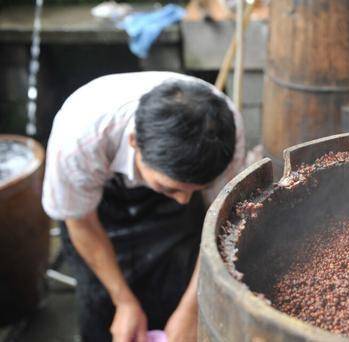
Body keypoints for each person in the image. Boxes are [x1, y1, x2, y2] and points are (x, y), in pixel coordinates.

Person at [42, 72, 245, 342]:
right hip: (98, 211)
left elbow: (221, 224)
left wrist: (190, 309)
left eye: (193, 191)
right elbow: (80, 221)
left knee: (174, 288)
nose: (184, 201)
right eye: (171, 188)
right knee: (99, 306)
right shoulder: (79, 138)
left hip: (162, 206)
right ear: (134, 142)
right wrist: (123, 301)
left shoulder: (223, 131)